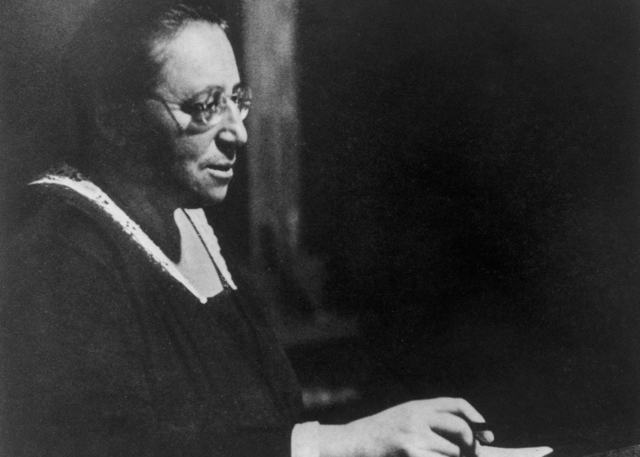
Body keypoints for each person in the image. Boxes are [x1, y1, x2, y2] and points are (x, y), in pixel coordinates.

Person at [1, 0, 494, 455]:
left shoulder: (193, 225)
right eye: (205, 106)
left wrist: (390, 436)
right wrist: (347, 442)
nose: (238, 132)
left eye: (236, 98)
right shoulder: (58, 252)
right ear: (115, 121)